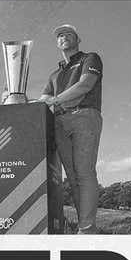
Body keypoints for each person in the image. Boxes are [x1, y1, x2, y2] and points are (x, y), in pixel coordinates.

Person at [34, 23, 103, 233]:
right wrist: (15, 97)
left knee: (84, 172)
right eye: (60, 35)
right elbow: (42, 101)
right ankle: (85, 228)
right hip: (61, 122)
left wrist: (55, 100)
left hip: (84, 116)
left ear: (77, 40)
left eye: (69, 34)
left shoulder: (89, 58)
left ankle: (86, 230)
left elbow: (85, 85)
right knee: (72, 177)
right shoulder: (55, 74)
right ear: (57, 43)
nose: (64, 37)